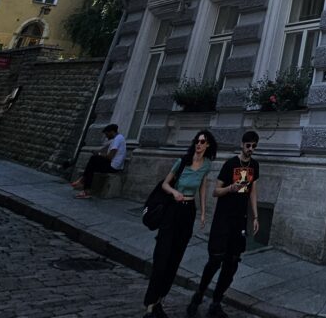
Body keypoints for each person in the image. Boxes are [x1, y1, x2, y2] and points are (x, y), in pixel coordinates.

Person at [143, 130, 217, 318]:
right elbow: (165, 184)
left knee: (175, 257)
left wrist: (202, 213)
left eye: (202, 142)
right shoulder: (182, 162)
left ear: (207, 145)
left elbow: (202, 187)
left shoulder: (206, 165)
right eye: (197, 141)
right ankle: (150, 305)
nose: (198, 144)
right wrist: (174, 193)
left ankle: (159, 301)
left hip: (188, 212)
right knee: (162, 256)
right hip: (172, 211)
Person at [187, 131, 261, 318]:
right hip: (223, 219)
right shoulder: (230, 164)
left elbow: (252, 191)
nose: (250, 149)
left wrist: (255, 216)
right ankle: (199, 295)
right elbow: (215, 191)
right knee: (215, 261)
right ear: (242, 145)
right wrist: (230, 188)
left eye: (254, 146)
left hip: (239, 220)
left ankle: (216, 302)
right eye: (248, 146)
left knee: (232, 263)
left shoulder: (254, 165)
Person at [71, 123, 127, 198]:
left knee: (93, 160)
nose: (106, 136)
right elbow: (106, 150)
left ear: (112, 132)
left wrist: (99, 154)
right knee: (93, 163)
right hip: (113, 165)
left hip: (113, 167)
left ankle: (84, 186)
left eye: (107, 134)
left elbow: (110, 157)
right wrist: (98, 153)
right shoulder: (119, 138)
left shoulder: (117, 139)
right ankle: (83, 183)